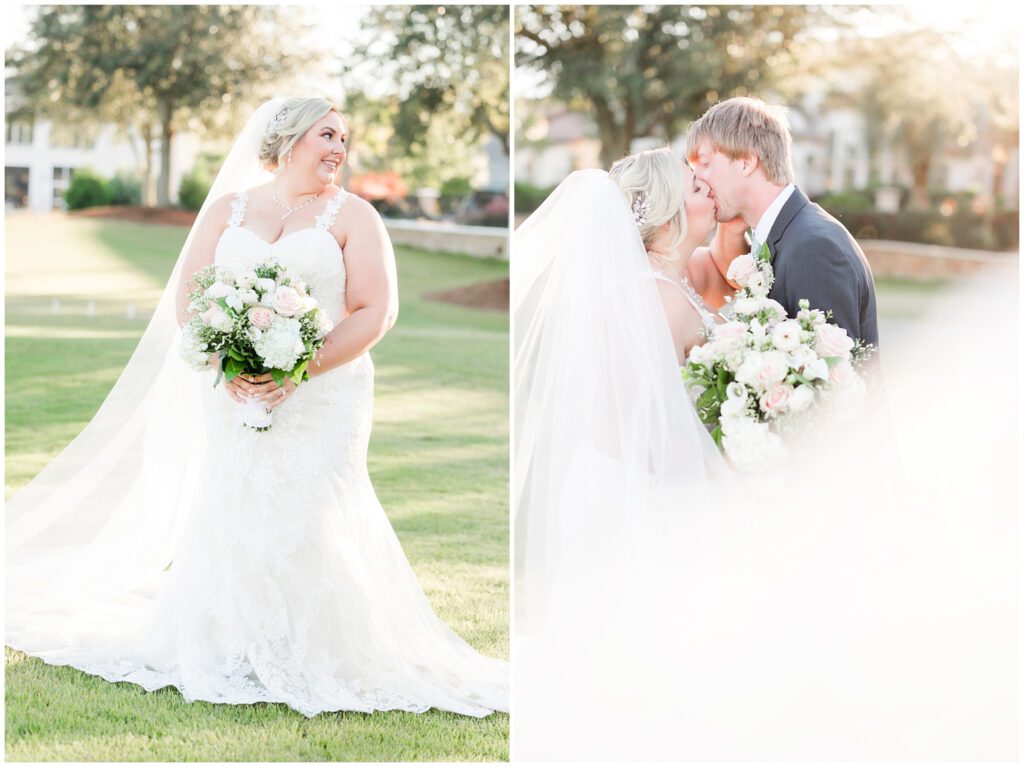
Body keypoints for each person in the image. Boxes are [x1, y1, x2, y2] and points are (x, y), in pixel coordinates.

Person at [6, 96, 508, 718]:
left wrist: (298, 372)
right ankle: (227, 638)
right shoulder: (228, 210)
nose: (339, 149)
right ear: (290, 139)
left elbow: (377, 312)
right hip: (233, 390)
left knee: (311, 504)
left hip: (324, 392)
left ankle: (320, 649)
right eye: (328, 135)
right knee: (236, 498)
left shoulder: (354, 215)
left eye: (344, 139)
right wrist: (230, 367)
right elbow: (190, 301)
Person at [687, 96, 879, 349]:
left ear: (746, 162)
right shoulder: (781, 234)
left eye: (705, 164)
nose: (697, 179)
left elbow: (832, 380)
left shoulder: (814, 248)